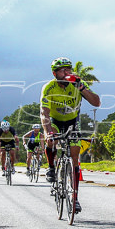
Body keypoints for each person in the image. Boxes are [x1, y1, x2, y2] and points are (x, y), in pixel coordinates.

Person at [40, 57, 101, 213]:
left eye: (69, 69)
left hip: (73, 121)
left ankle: (75, 198)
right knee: (51, 141)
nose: (67, 73)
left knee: (75, 156)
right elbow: (44, 112)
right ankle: (52, 168)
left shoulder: (78, 84)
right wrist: (48, 132)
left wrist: (82, 88)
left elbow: (96, 102)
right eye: (62, 70)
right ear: (55, 73)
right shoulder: (49, 88)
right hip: (54, 120)